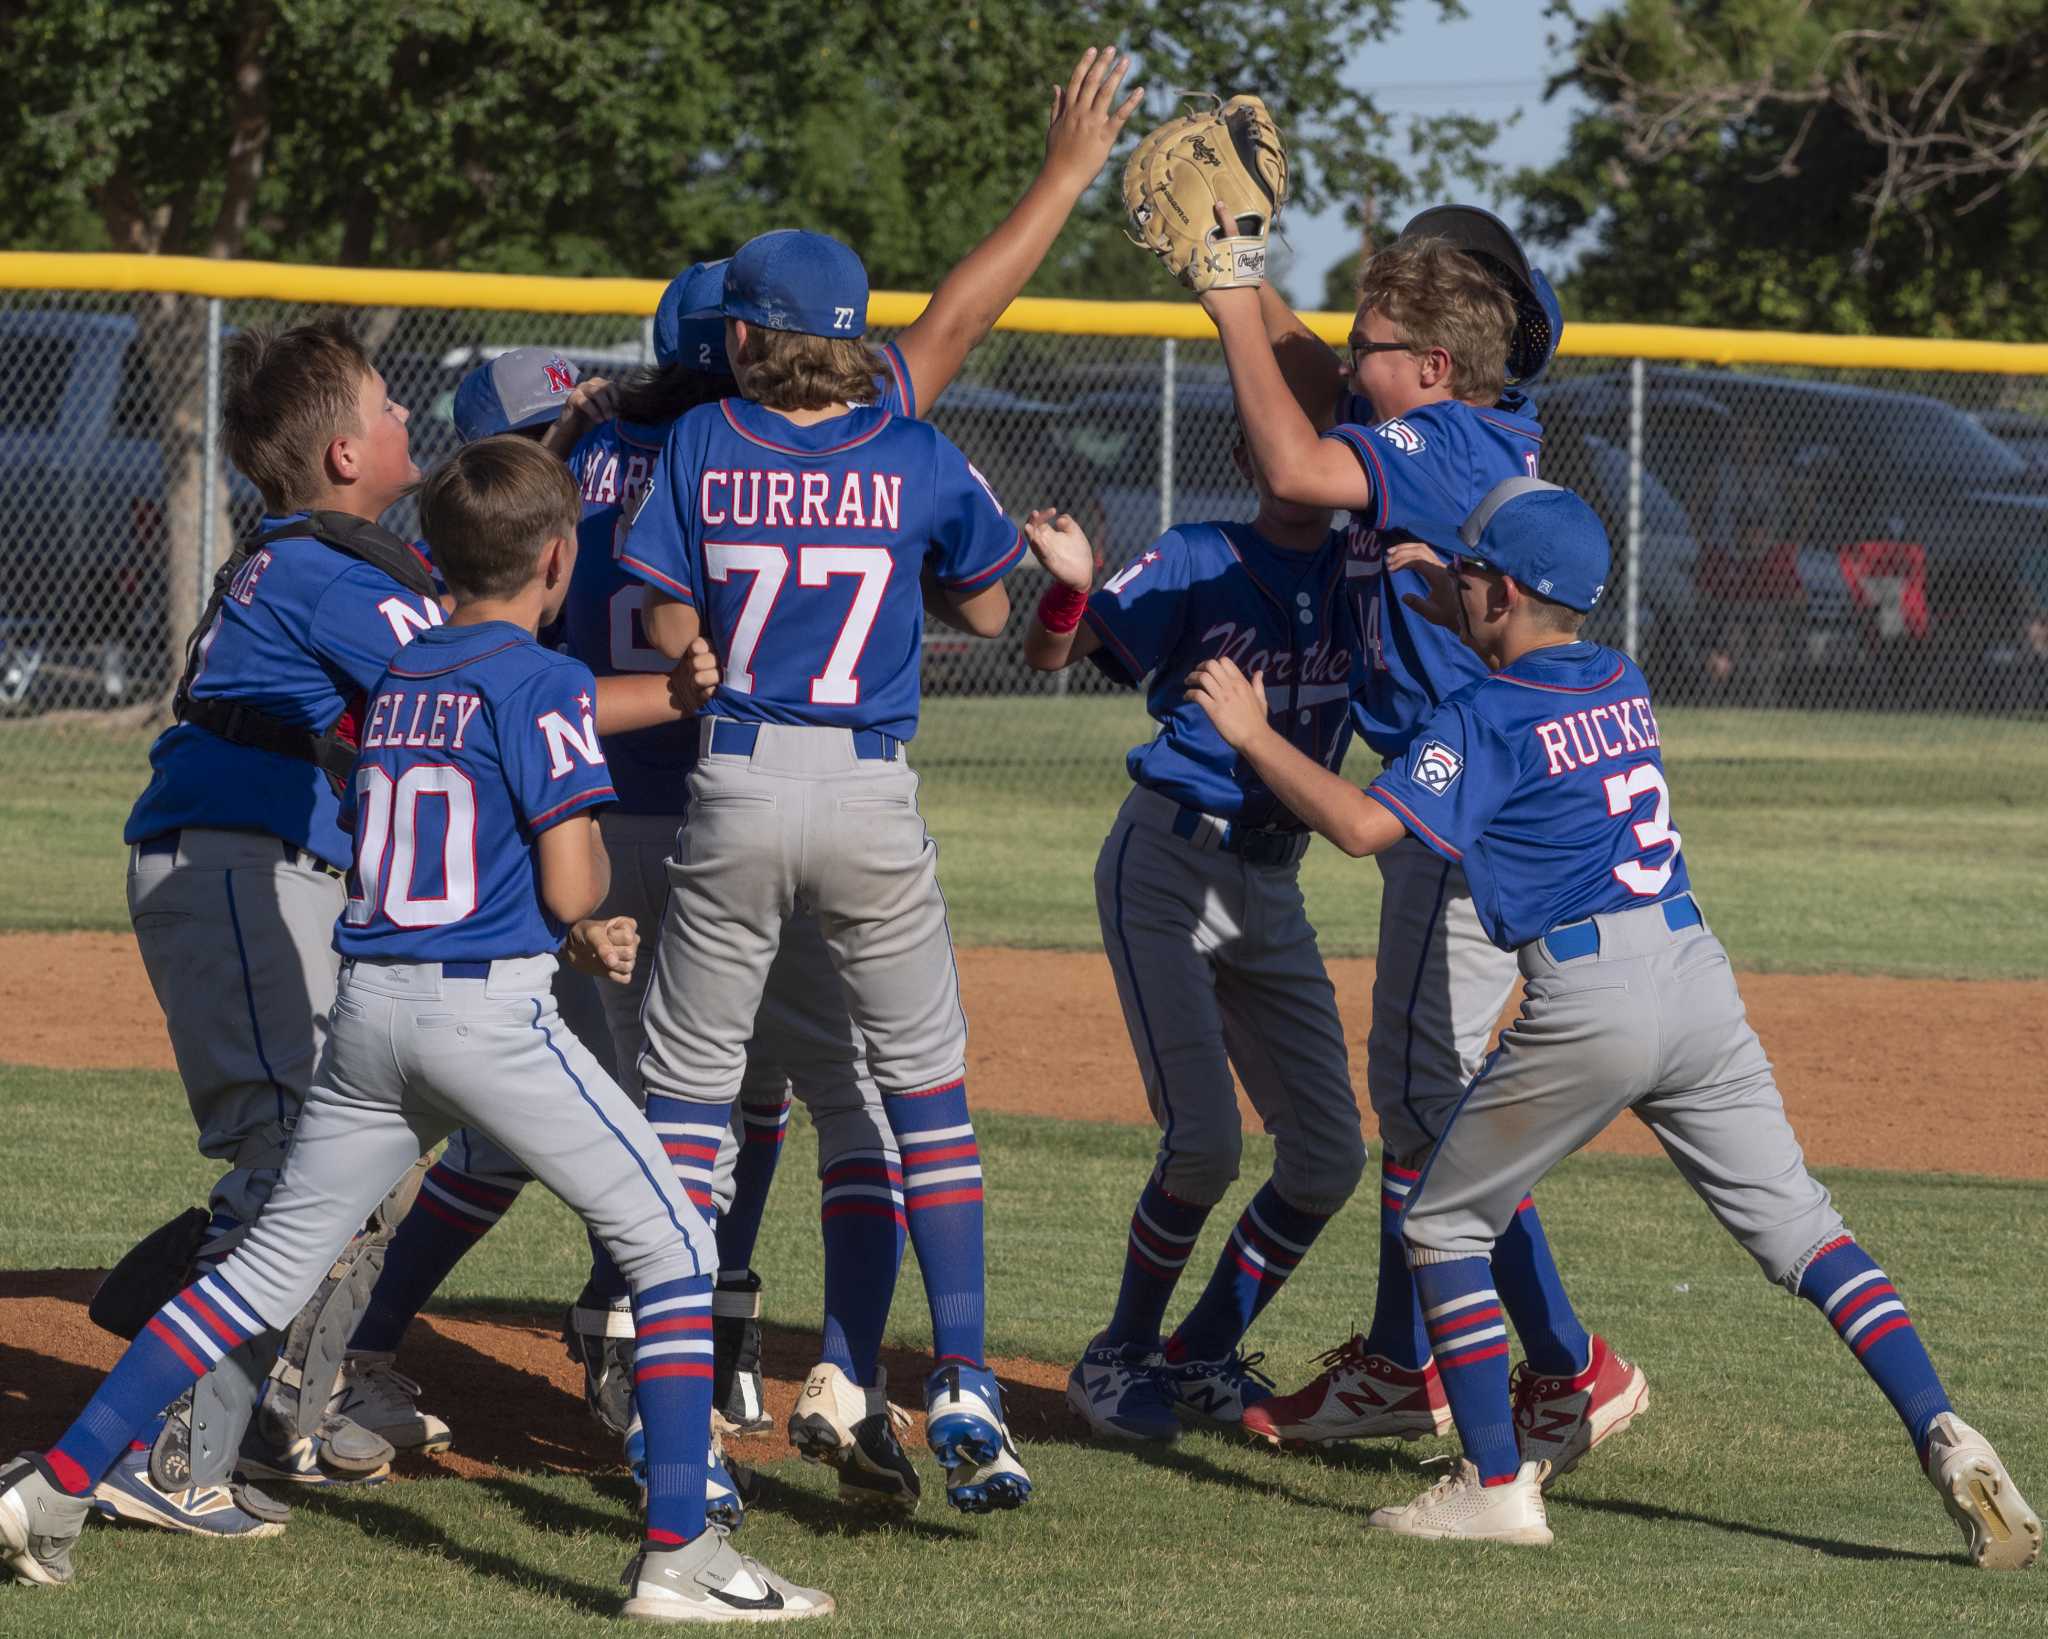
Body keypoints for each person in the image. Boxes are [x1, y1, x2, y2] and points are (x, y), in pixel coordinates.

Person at [1, 437, 837, 1621]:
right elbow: (564, 881)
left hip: (368, 1013)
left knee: (258, 1273)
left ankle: (58, 1484)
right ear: (558, 559)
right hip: (480, 1013)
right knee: (675, 1244)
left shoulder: (399, 676)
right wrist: (588, 903)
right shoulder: (541, 680)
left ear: (436, 559)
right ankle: (676, 1556)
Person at [1184, 476, 2040, 1569]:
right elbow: (1532, 664)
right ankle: (1943, 1425)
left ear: (1503, 591)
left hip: (1590, 997)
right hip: (1693, 974)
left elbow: (1361, 825)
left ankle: (1493, 1485)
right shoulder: (1618, 674)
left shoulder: (1481, 712)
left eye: (1469, 573)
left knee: (1443, 1223)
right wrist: (1465, 606)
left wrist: (1253, 733)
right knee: (1803, 1231)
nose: (1454, 582)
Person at [1194, 208, 1641, 1474]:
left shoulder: (1439, 444)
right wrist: (1255, 284)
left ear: (1433, 368)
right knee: (1427, 1107)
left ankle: (1563, 1362)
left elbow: (1290, 469)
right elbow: (1310, 376)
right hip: (1465, 804)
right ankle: (1405, 1363)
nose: (1346, 363)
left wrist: (1230, 294)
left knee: (1430, 1107)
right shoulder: (1456, 423)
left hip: (1450, 808)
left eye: (1369, 344)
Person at [620, 227, 1030, 1514]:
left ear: (741, 338)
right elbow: (988, 608)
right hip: (867, 786)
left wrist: (707, 641)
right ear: (853, 339)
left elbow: (667, 621)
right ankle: (962, 1375)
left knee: (689, 1108)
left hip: (736, 776)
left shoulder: (697, 442)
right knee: (922, 1093)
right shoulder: (912, 450)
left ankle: (668, 1420)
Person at [101, 317, 444, 1538]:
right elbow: (473, 693)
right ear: (347, 453)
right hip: (240, 867)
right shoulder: (328, 573)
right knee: (299, 1161)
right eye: (389, 403)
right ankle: (169, 1449)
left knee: (348, 1150)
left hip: (262, 866)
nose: (409, 417)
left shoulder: (328, 558)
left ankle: (193, 1342)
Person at [1015, 338, 1366, 1439]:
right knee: (1205, 1141)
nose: (1299, 456)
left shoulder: (1368, 571)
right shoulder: (1192, 555)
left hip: (1276, 878)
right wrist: (1069, 595)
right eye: (1281, 436)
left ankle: (1203, 1350)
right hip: (1167, 861)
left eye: (1323, 440)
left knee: (1327, 1154)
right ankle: (1115, 1357)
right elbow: (1048, 659)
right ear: (1245, 444)